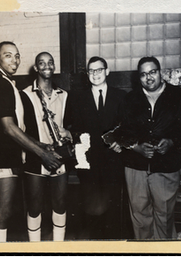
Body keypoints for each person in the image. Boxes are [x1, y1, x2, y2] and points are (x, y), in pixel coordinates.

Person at [0, 42, 62, 243]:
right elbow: (9, 128)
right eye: (8, 55)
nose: (15, 60)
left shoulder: (4, 81)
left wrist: (40, 144)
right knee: (4, 213)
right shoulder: (0, 83)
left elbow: (16, 126)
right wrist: (41, 153)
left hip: (1, 157)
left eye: (17, 56)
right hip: (0, 158)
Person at [109, 56, 181, 239]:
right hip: (135, 166)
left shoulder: (178, 96)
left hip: (166, 166)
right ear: (139, 78)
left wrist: (172, 142)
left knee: (164, 217)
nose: (148, 77)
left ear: (160, 72)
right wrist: (135, 146)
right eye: (143, 74)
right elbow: (118, 130)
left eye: (152, 72)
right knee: (139, 216)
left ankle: (165, 257)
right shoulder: (130, 99)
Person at [70, 56, 126, 239]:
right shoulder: (78, 98)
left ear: (107, 71)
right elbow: (74, 129)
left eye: (99, 70)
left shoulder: (121, 96)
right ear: (87, 74)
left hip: (114, 162)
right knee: (92, 210)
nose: (95, 74)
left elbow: (129, 127)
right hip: (90, 164)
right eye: (91, 71)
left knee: (113, 210)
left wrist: (122, 143)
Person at [21, 52, 72, 242]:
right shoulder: (24, 94)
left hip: (59, 156)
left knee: (60, 203)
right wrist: (40, 149)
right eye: (41, 63)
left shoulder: (64, 95)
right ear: (36, 68)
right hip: (36, 155)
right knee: (35, 207)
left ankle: (58, 249)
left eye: (50, 62)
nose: (47, 66)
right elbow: (20, 130)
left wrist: (68, 134)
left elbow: (72, 125)